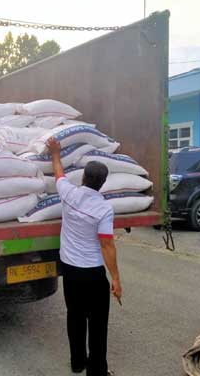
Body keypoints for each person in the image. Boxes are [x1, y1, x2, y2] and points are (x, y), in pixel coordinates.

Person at [46, 137, 121, 376]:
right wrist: (116, 279)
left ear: (84, 178)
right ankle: (97, 370)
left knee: (75, 316)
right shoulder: (104, 209)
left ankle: (77, 362)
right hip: (93, 274)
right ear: (103, 183)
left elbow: (58, 174)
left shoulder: (69, 194)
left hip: (70, 270)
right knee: (97, 324)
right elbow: (107, 245)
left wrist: (55, 153)